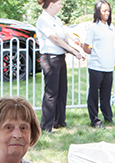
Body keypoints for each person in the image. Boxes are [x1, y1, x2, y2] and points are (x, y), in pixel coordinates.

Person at [36, 0, 86, 133]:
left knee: (62, 90)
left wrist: (78, 49)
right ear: (51, 4)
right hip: (50, 58)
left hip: (60, 58)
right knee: (51, 93)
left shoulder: (57, 20)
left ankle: (59, 121)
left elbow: (66, 37)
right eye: (59, 4)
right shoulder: (43, 20)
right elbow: (56, 39)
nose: (61, 6)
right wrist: (73, 52)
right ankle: (46, 126)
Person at [83, 0, 115, 129]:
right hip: (96, 66)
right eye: (104, 11)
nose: (107, 13)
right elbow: (86, 46)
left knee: (106, 94)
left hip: (108, 67)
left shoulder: (111, 27)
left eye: (108, 10)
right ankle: (95, 120)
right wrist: (96, 53)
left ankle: (108, 117)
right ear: (98, 12)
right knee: (93, 94)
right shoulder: (93, 28)